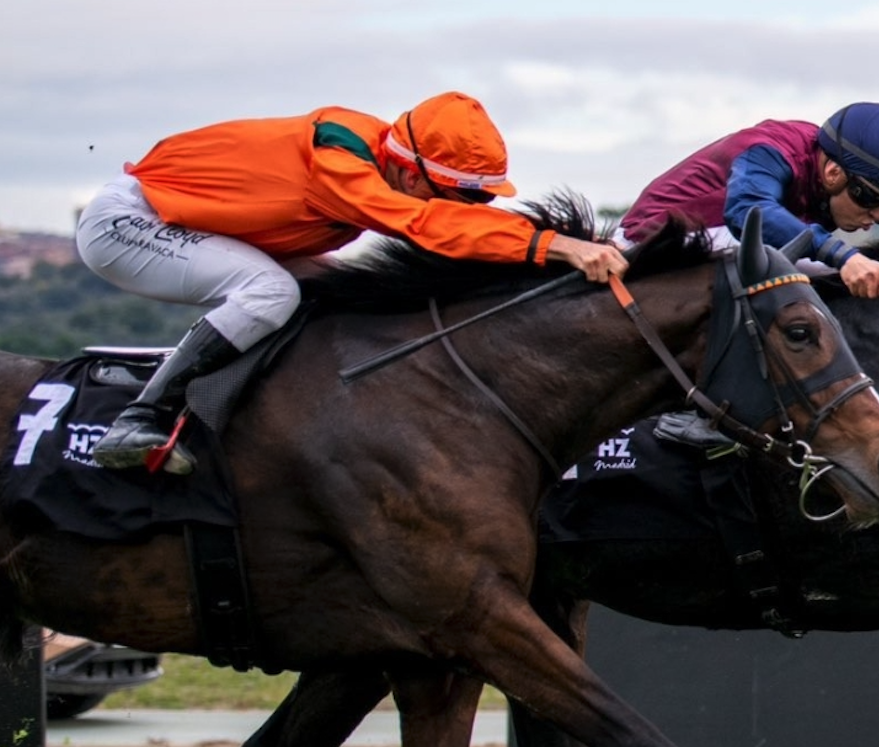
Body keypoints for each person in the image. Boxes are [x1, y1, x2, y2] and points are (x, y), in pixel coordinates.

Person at [75, 92, 627, 473]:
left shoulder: (380, 158)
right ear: (411, 173)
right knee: (271, 293)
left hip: (198, 225)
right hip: (131, 223)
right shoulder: (341, 164)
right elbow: (426, 225)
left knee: (340, 295)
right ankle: (140, 418)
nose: (471, 211)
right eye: (466, 199)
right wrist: (557, 245)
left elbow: (438, 218)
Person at [616, 103, 879, 301]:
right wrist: (844, 256)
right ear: (834, 173)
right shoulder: (769, 150)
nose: (878, 215)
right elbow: (750, 212)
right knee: (799, 265)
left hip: (723, 241)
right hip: (650, 242)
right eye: (873, 198)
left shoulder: (830, 162)